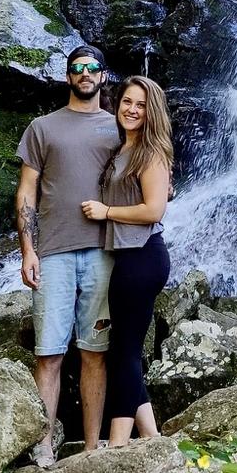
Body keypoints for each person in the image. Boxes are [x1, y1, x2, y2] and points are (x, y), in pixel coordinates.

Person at [15, 43, 120, 465]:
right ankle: (43, 444)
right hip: (54, 252)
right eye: (77, 68)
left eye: (92, 67)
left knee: (95, 352)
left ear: (103, 75)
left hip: (102, 252)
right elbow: (26, 191)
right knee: (49, 353)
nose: (85, 73)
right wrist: (27, 250)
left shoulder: (119, 128)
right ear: (67, 76)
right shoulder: (42, 128)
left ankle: (92, 449)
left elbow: (146, 171)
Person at [81, 74, 172, 446]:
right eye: (127, 103)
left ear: (152, 113)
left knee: (124, 352)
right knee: (125, 350)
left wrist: (106, 212)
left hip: (142, 257)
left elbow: (154, 209)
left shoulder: (150, 153)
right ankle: (151, 437)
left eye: (141, 105)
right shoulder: (122, 148)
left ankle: (118, 444)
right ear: (116, 106)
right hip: (129, 257)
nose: (132, 110)